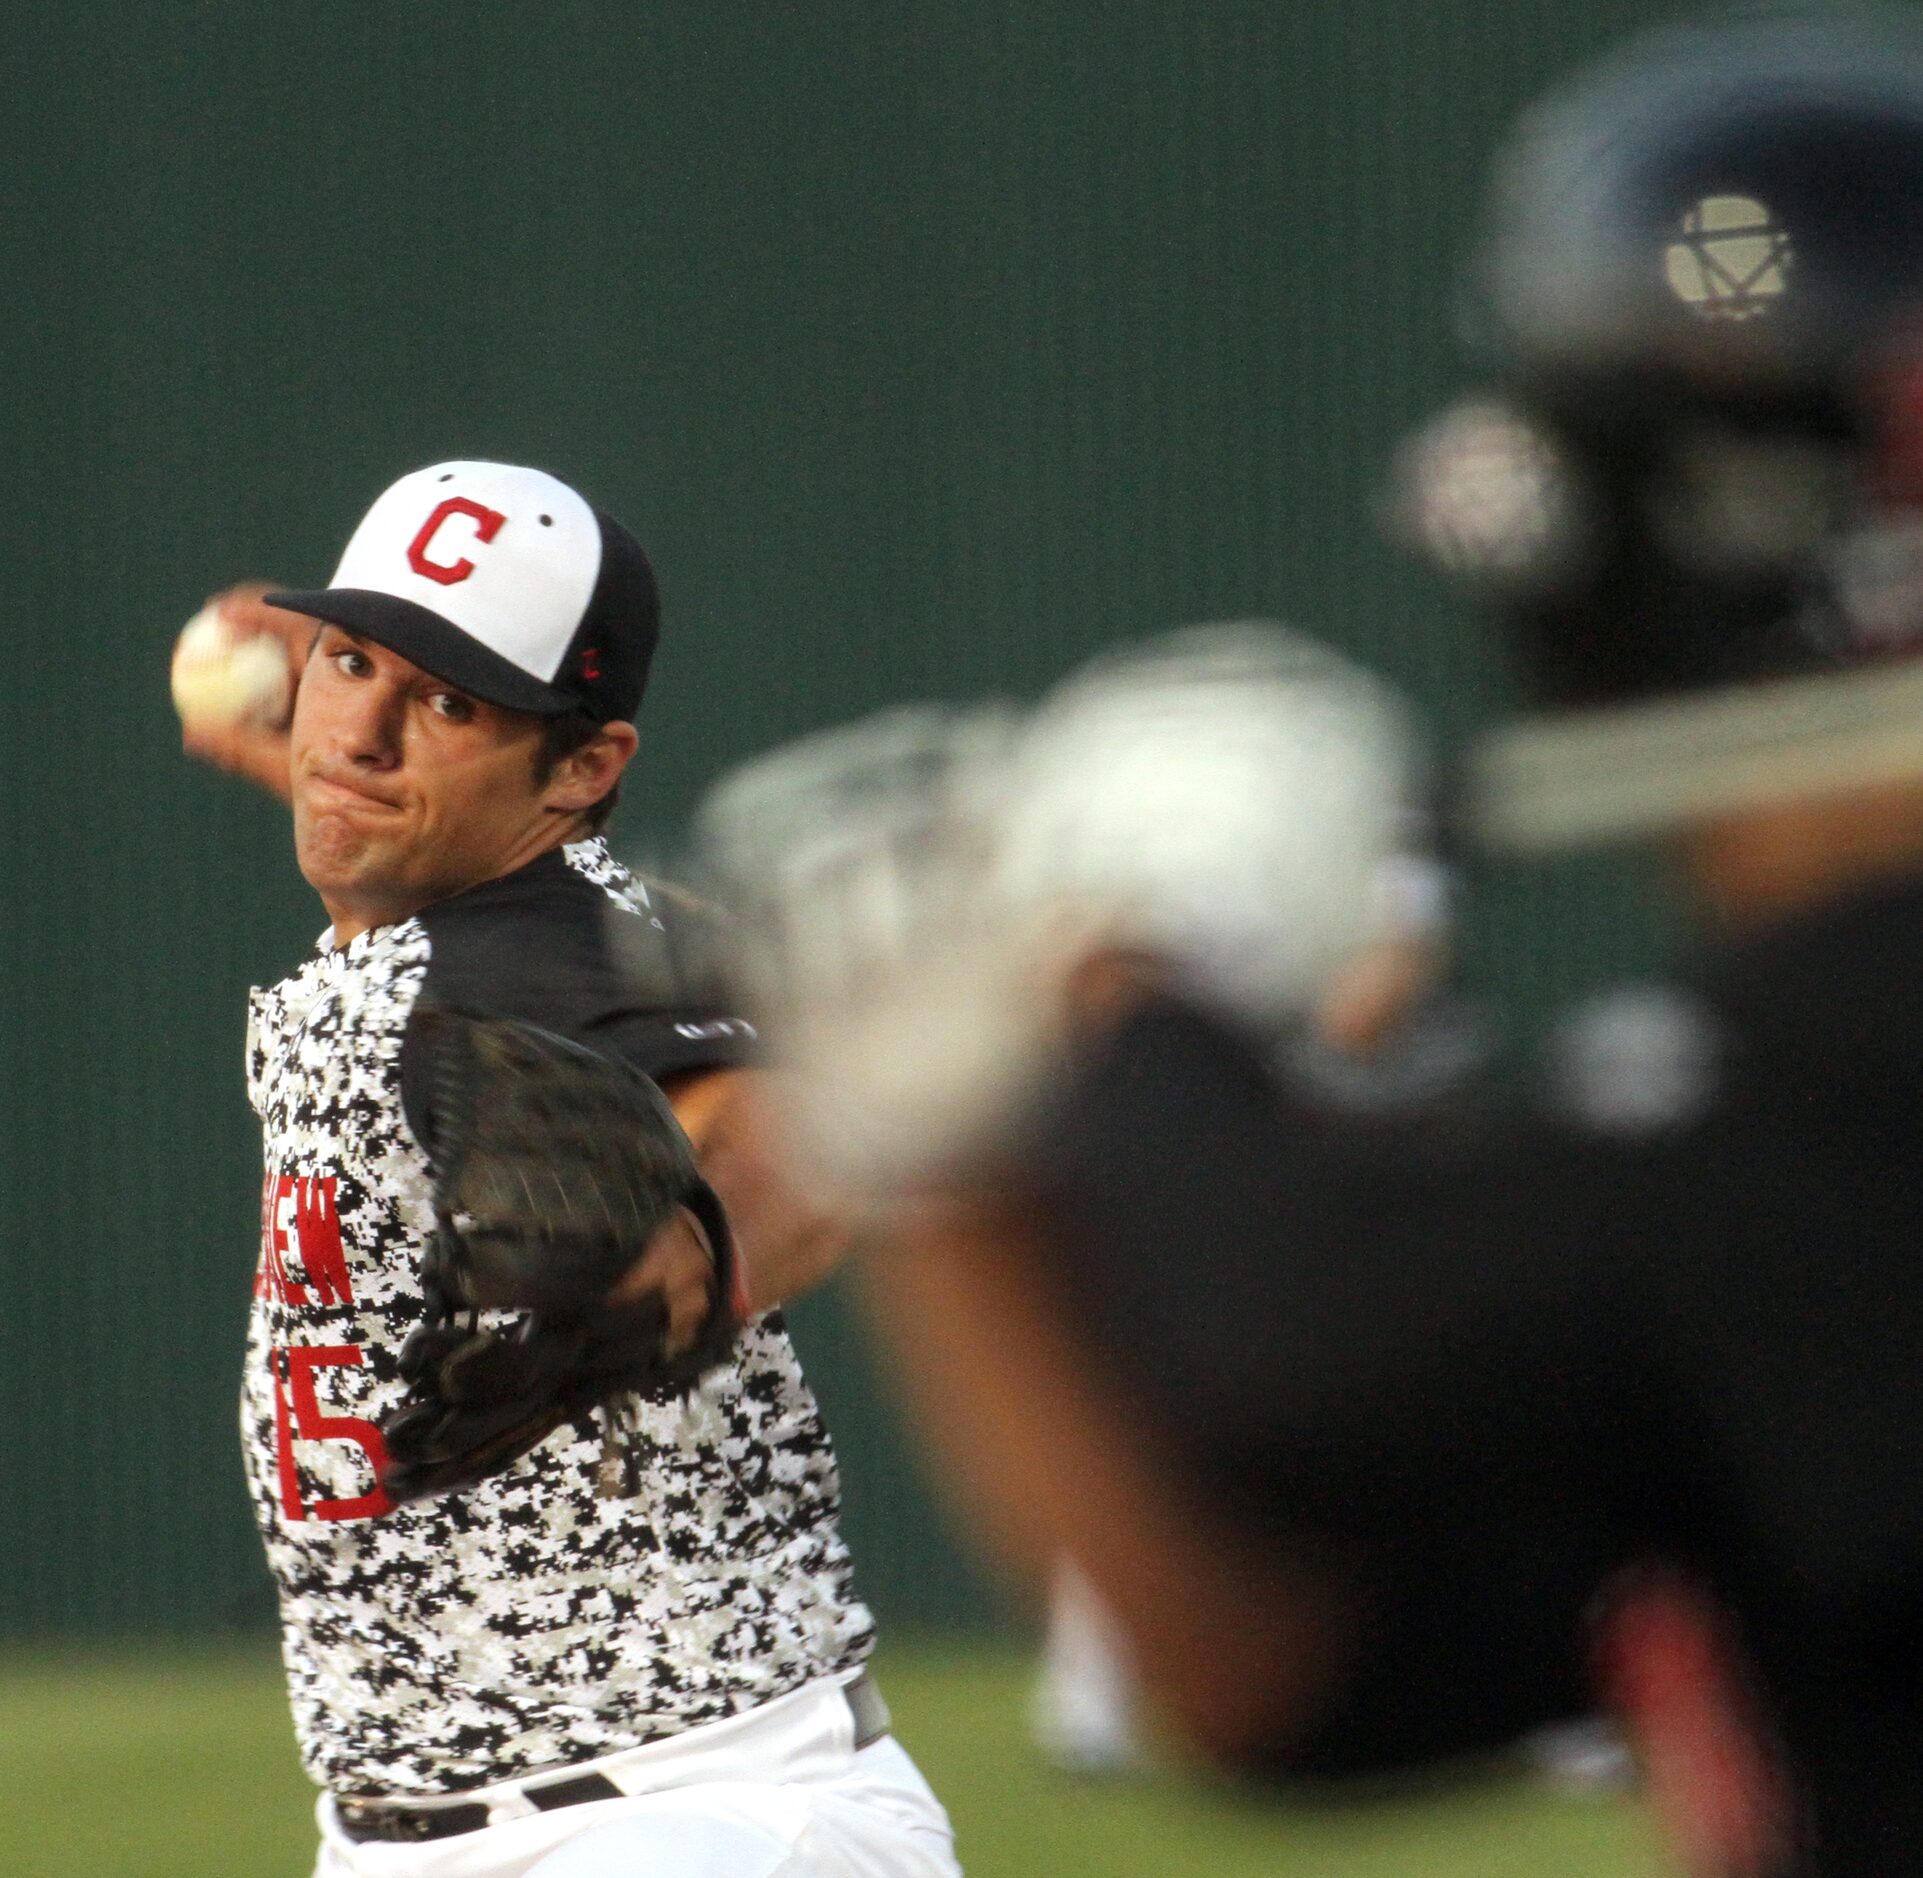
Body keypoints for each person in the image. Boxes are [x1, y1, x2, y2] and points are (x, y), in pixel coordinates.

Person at [701, 16, 1923, 1875]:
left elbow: (1295, 1359)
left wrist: (1142, 975)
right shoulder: (1778, 1147)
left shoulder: (1815, 1087)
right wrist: (957, 1196)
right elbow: (1289, 1677)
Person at [182, 459, 959, 1878]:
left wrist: (692, 1257)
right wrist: (354, 734)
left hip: (682, 1818)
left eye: (449, 701)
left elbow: (785, 1135)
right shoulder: (477, 903)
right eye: (352, 660)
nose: (362, 726)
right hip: (431, 1823)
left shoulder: (512, 956)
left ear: (586, 767)